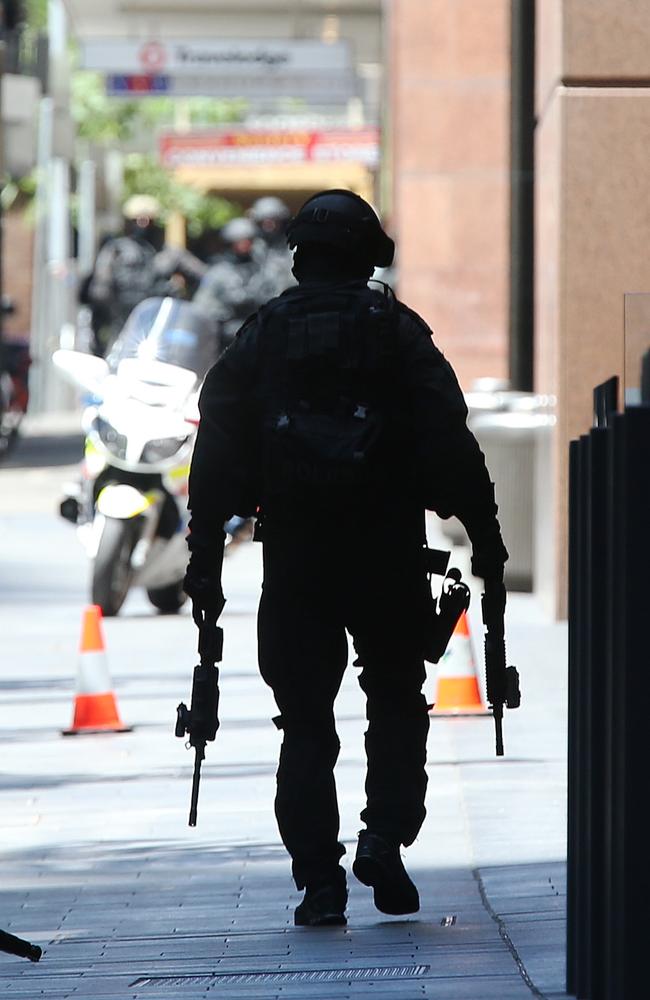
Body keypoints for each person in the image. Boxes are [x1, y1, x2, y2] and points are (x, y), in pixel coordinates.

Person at [183, 189, 508, 928]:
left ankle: (319, 883)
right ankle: (385, 840)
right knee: (396, 700)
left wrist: (204, 556)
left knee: (304, 722)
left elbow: (219, 448)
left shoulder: (262, 333)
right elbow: (449, 438)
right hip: (387, 553)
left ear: (299, 254)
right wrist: (485, 534)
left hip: (296, 557)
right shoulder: (396, 330)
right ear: (369, 256)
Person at [86, 196, 206, 355]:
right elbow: (99, 290)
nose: (143, 225)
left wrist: (183, 300)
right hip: (121, 327)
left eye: (148, 220)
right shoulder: (115, 251)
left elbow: (206, 276)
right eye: (137, 220)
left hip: (159, 330)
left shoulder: (168, 254)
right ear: (128, 222)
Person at [192, 217, 270, 350]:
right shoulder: (218, 272)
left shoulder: (263, 270)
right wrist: (222, 312)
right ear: (230, 243)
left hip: (257, 335)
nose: (245, 245)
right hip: (225, 338)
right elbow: (202, 305)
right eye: (240, 242)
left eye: (248, 241)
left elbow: (273, 298)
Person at [248, 195, 295, 298]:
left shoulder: (292, 248)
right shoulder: (252, 249)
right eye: (264, 222)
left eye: (274, 221)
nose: (269, 226)